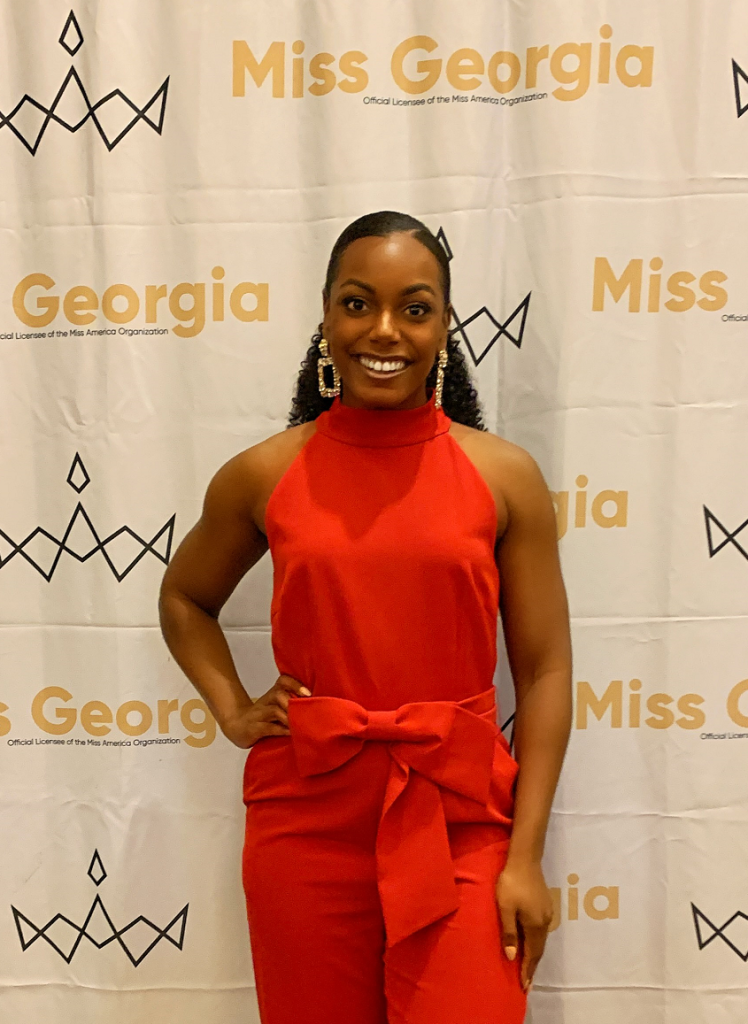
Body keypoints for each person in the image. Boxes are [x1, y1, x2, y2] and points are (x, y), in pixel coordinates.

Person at [158, 211, 572, 1024]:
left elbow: (546, 670)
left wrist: (524, 856)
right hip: (305, 820)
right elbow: (184, 599)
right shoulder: (264, 474)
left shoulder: (505, 477)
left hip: (460, 816)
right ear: (326, 316)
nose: (384, 330)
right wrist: (237, 713)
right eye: (358, 303)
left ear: (444, 326)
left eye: (415, 308)